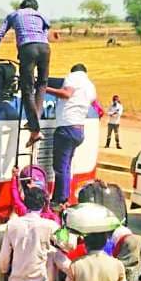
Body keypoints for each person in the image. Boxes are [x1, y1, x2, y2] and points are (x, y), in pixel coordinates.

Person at [0, 0, 51, 147]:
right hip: (45, 48)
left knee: (27, 89)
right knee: (42, 84)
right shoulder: (41, 16)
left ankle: (35, 130)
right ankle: (34, 120)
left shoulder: (14, 14)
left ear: (21, 6)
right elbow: (44, 34)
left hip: (27, 48)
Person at [45, 63, 97, 204]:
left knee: (60, 167)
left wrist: (44, 88)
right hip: (79, 130)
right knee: (67, 166)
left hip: (66, 127)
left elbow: (66, 94)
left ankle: (59, 199)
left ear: (73, 71)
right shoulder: (90, 86)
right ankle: (64, 196)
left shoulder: (73, 77)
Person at [0, 187, 59, 281]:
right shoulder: (50, 225)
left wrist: (4, 270)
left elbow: (4, 256)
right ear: (44, 204)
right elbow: (68, 244)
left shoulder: (12, 224)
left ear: (25, 203)